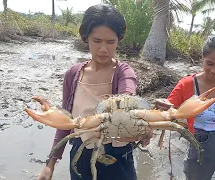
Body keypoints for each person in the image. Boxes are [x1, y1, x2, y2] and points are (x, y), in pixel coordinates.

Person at [37, 4, 152, 180]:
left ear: (119, 40)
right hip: (81, 152)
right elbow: (65, 123)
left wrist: (142, 131)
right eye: (97, 41)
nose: (103, 49)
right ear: (86, 38)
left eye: (110, 42)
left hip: (118, 155)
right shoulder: (73, 74)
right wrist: (50, 165)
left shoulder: (123, 72)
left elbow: (127, 95)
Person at [156, 34, 215, 180]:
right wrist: (162, 106)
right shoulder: (188, 84)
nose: (214, 70)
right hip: (200, 147)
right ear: (202, 59)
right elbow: (167, 108)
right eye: (209, 63)